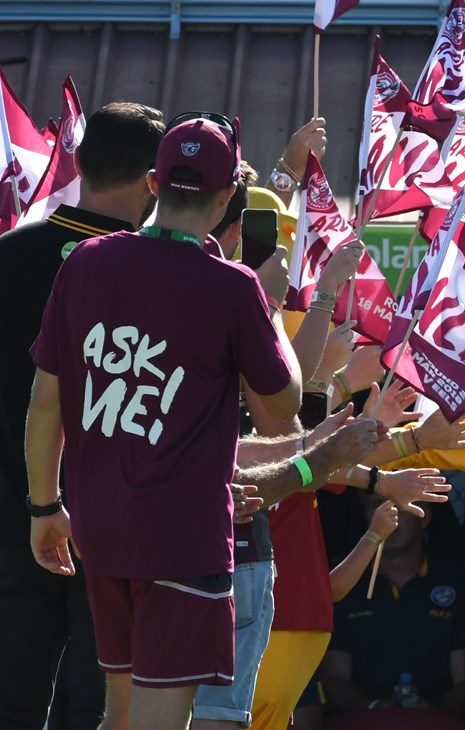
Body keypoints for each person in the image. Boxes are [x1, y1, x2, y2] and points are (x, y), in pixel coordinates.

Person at [25, 116, 301, 730]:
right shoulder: (234, 287)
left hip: (99, 528)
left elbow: (45, 404)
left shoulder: (86, 261)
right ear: (228, 196)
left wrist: (45, 508)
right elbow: (283, 412)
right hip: (181, 537)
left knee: (117, 717)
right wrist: (270, 305)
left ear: (154, 182)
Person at [0, 100, 164, 730]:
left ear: (80, 161)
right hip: (116, 520)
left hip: (14, 517)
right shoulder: (162, 273)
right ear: (154, 178)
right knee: (102, 712)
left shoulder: (9, 255)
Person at [318, 492, 465, 727]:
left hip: (437, 721)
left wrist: (432, 712)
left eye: (400, 505)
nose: (389, 515)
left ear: (425, 517)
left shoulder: (458, 583)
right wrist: (374, 708)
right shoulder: (343, 586)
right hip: (363, 721)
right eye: (377, 505)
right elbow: (333, 679)